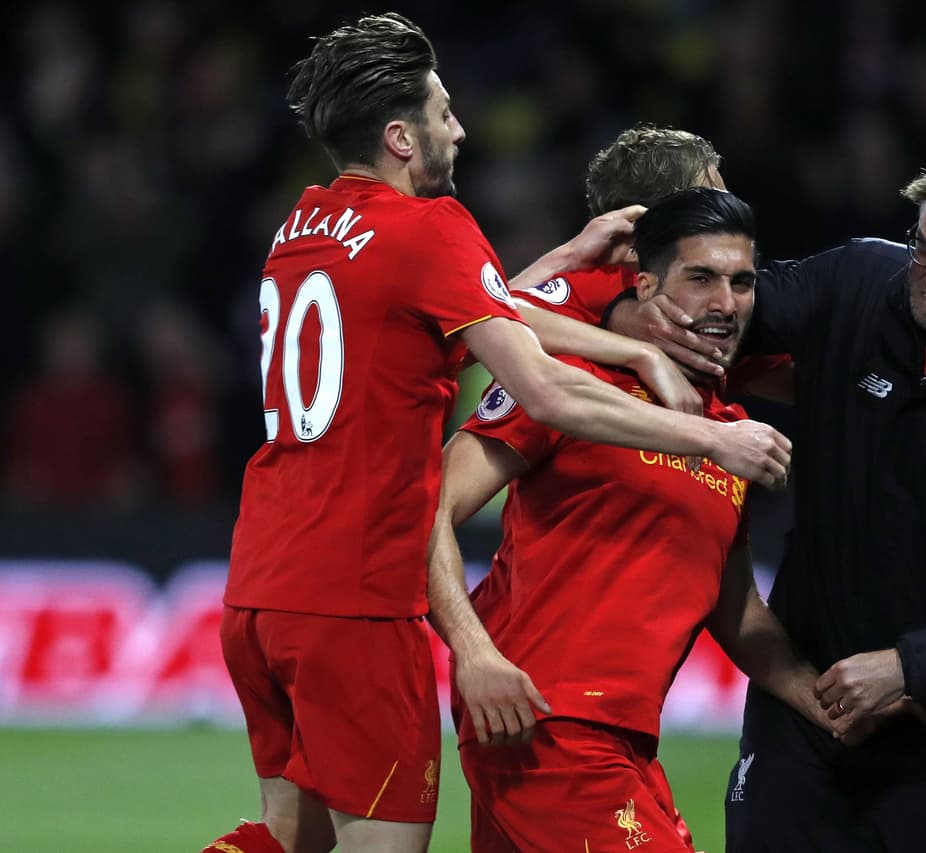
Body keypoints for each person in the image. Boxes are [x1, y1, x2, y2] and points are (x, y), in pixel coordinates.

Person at [204, 14, 791, 853]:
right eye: (444, 113)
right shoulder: (433, 226)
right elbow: (541, 386)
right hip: (357, 592)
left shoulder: (299, 230)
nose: (460, 128)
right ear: (402, 136)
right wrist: (709, 438)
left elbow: (446, 311)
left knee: (288, 837)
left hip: (259, 585)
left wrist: (562, 261)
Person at [607, 139, 926, 851]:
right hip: (806, 708)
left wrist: (909, 665)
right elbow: (710, 314)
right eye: (925, 248)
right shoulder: (856, 278)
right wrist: (621, 308)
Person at [428, 188, 835, 852]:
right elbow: (427, 507)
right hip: (547, 722)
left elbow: (736, 611)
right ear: (645, 286)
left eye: (741, 282)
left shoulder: (730, 435)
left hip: (622, 740)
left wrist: (825, 699)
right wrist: (472, 654)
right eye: (700, 277)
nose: (724, 302)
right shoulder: (569, 385)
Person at [514, 123, 793, 400]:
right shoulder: (588, 286)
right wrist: (640, 353)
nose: (728, 214)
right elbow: (492, 321)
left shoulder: (724, 296)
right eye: (711, 203)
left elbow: (785, 380)